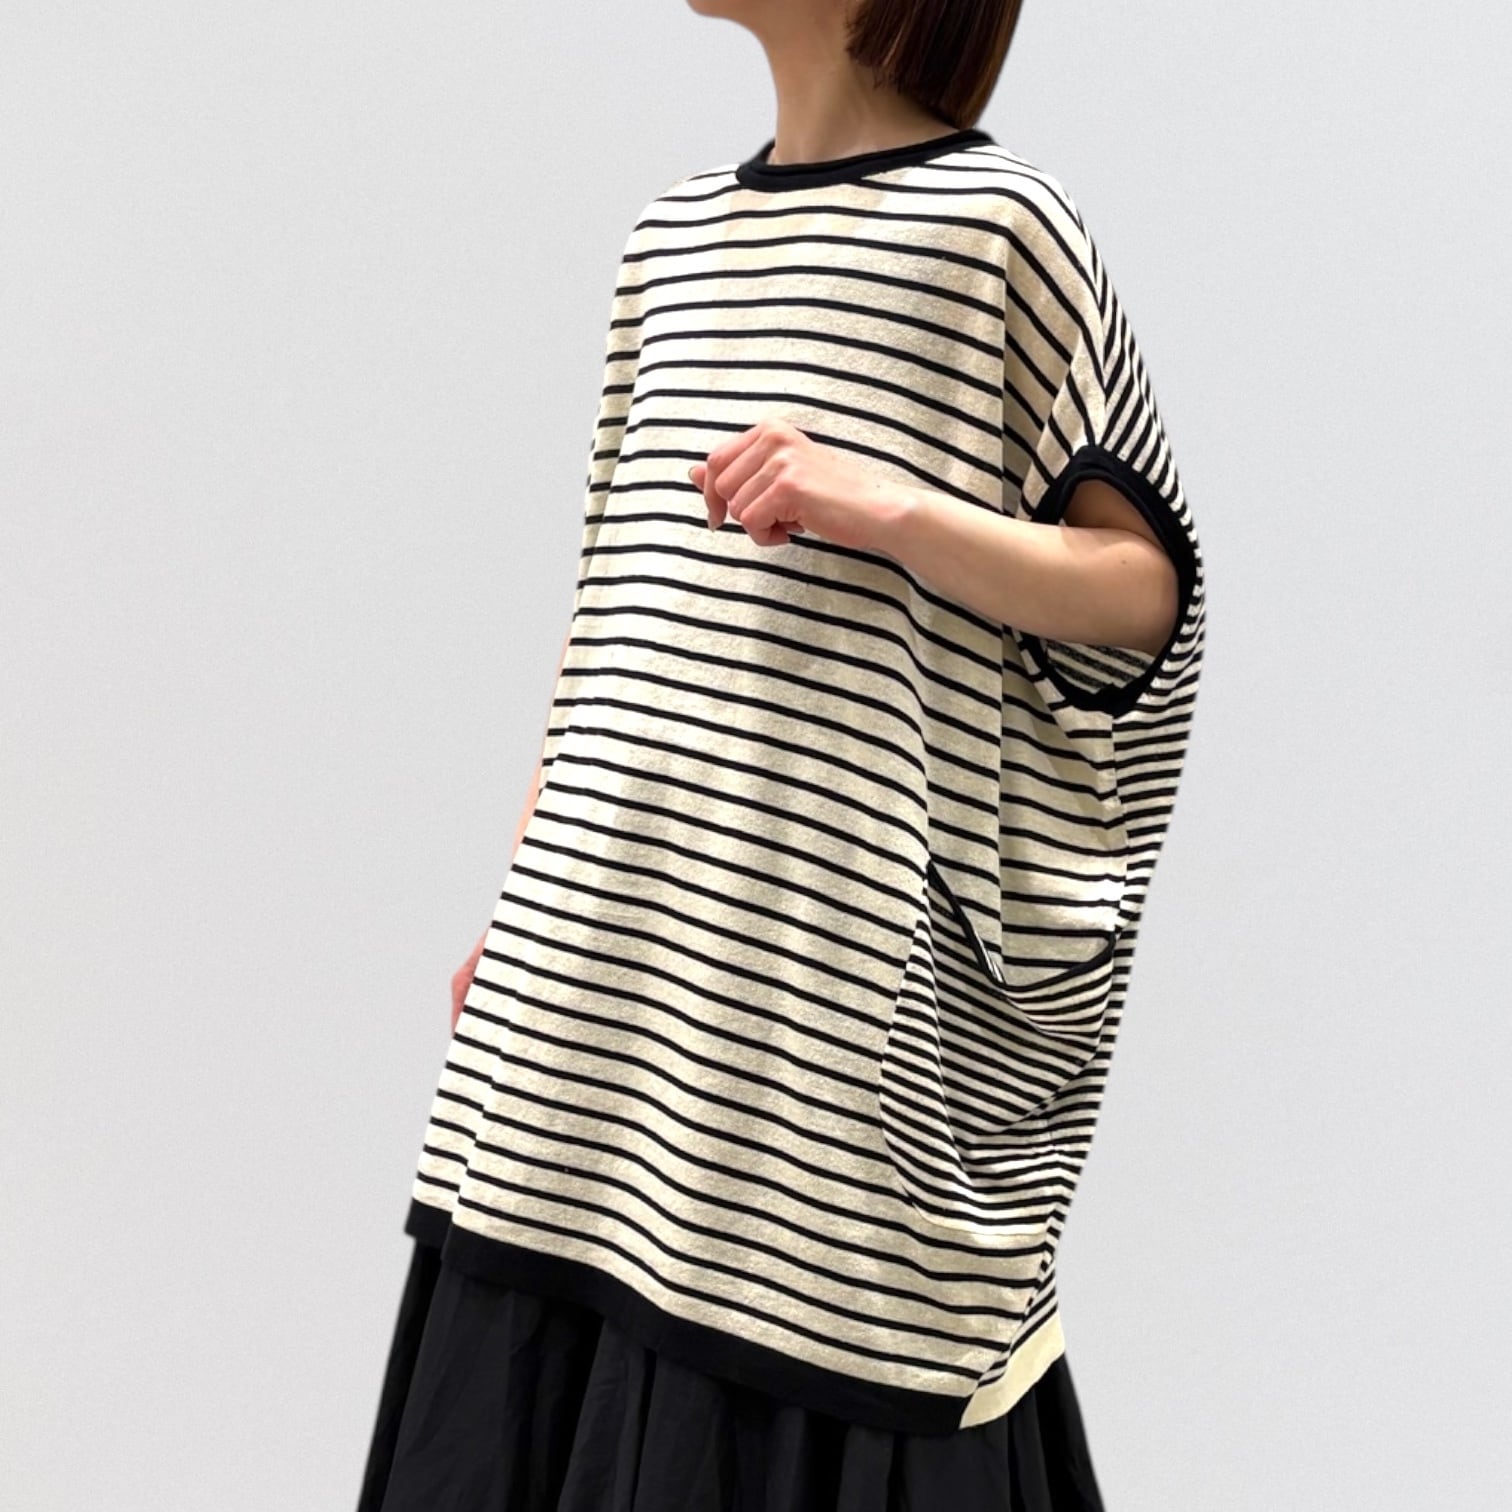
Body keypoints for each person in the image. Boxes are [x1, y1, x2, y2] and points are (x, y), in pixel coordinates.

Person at [357, 1, 1208, 1508]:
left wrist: (892, 511)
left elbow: (1144, 594)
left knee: (822, 1345)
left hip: (813, 984)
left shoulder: (999, 231)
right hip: (600, 960)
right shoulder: (670, 241)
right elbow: (610, 611)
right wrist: (527, 891)